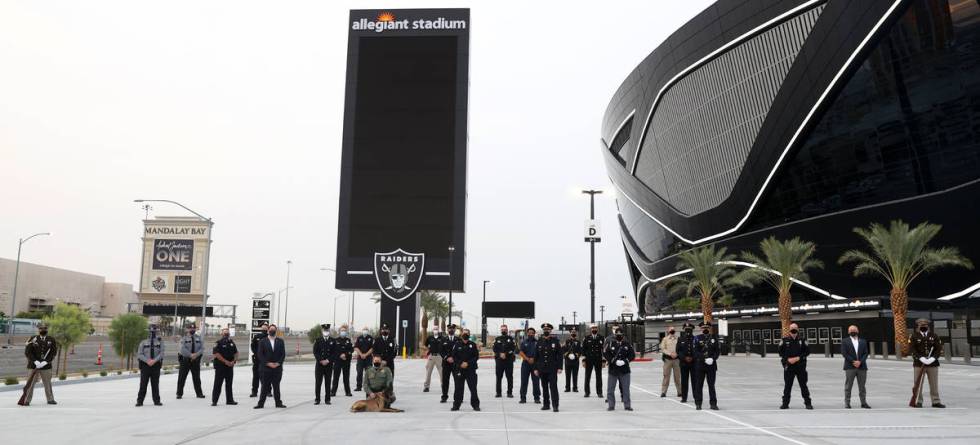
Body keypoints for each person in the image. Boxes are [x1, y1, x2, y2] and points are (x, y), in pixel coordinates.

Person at [19, 322, 58, 406]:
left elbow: (53, 352)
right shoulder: (33, 339)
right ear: (38, 329)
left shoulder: (51, 339)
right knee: (30, 384)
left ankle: (50, 399)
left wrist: (46, 361)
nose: (43, 330)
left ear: (47, 329)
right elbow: (28, 352)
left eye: (45, 328)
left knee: (47, 383)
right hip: (33, 366)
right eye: (41, 328)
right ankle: (26, 400)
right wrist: (35, 361)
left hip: (46, 366)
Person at [910, 318, 944, 408]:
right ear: (918, 326)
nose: (923, 327)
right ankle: (918, 401)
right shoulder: (914, 336)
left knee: (934, 383)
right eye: (921, 326)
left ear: (928, 326)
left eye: (925, 326)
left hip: (932, 364)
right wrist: (920, 358)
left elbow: (938, 348)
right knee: (918, 383)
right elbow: (912, 349)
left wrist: (933, 358)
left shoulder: (934, 336)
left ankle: (935, 401)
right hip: (919, 363)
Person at [778, 322, 812, 409]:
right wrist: (788, 360)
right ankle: (785, 403)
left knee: (803, 385)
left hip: (800, 366)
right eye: (792, 328)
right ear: (789, 330)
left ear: (797, 329)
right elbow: (781, 353)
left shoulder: (802, 340)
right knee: (787, 386)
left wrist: (798, 358)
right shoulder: (784, 340)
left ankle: (808, 403)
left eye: (795, 328)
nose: (793, 330)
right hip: (789, 367)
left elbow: (807, 352)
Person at [254, 324, 286, 409]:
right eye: (271, 329)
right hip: (265, 368)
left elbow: (283, 354)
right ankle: (260, 404)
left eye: (274, 330)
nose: (272, 331)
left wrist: (278, 363)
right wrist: (268, 363)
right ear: (268, 331)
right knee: (264, 387)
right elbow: (260, 354)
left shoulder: (280, 341)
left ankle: (278, 403)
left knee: (276, 387)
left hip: (277, 368)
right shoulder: (262, 341)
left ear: (276, 331)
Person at [604, 327, 635, 411]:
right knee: (610, 389)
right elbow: (605, 354)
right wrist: (613, 361)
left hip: (624, 370)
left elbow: (632, 355)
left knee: (626, 389)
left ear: (623, 335)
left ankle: (627, 405)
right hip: (613, 370)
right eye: (617, 335)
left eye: (620, 335)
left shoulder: (627, 344)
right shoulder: (611, 343)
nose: (619, 336)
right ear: (615, 335)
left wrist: (625, 361)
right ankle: (611, 405)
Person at [450, 328, 481, 411]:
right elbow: (454, 356)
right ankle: (456, 405)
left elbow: (476, 356)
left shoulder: (473, 345)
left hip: (470, 369)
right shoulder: (457, 345)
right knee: (458, 388)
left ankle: (475, 405)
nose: (465, 334)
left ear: (469, 335)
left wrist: (468, 363)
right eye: (464, 333)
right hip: (459, 369)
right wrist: (461, 363)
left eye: (467, 333)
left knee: (473, 388)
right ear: (461, 334)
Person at [534, 323, 563, 412]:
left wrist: (560, 367)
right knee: (544, 387)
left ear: (550, 330)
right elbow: (536, 356)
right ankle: (546, 404)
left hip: (552, 368)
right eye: (545, 329)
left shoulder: (555, 341)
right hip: (542, 369)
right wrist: (535, 368)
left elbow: (560, 355)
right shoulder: (539, 341)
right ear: (543, 330)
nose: (546, 331)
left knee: (553, 387)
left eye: (548, 329)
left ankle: (555, 405)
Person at [841, 325, 871, 409]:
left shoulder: (863, 341)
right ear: (848, 332)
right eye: (850, 330)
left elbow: (866, 353)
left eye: (854, 330)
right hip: (850, 366)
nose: (852, 331)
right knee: (848, 386)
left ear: (857, 331)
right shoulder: (845, 341)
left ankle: (863, 403)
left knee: (862, 386)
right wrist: (853, 361)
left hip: (862, 367)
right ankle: (847, 403)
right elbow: (844, 353)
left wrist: (860, 361)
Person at [136, 324, 165, 407]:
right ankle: (140, 401)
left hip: (155, 365)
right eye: (151, 331)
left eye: (154, 331)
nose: (152, 333)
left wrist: (154, 361)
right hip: (145, 365)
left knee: (155, 384)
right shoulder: (143, 342)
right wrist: (147, 361)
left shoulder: (160, 342)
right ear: (148, 332)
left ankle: (157, 401)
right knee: (143, 384)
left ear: (157, 332)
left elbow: (162, 353)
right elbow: (140, 354)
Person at [693, 321, 720, 410]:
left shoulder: (714, 338)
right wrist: (704, 359)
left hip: (711, 365)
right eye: (703, 328)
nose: (705, 329)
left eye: (707, 328)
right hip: (700, 365)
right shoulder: (697, 338)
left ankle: (713, 404)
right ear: (701, 329)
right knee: (699, 385)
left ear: (709, 328)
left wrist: (713, 358)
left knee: (711, 385)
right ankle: (698, 403)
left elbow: (717, 351)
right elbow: (695, 352)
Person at [176, 323, 205, 399]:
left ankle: (199, 393)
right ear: (187, 329)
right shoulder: (184, 338)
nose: (192, 329)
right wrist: (191, 355)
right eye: (190, 328)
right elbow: (182, 349)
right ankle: (179, 394)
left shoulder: (199, 338)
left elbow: (202, 349)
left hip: (195, 361)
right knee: (182, 377)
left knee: (197, 378)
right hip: (185, 361)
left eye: (194, 328)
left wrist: (195, 355)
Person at [211, 327, 239, 406]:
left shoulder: (232, 342)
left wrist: (234, 361)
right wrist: (225, 361)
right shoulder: (218, 342)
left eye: (227, 332)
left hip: (230, 366)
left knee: (229, 384)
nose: (226, 334)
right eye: (224, 332)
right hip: (220, 366)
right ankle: (214, 401)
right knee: (218, 384)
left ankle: (230, 400)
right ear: (221, 334)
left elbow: (236, 353)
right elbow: (216, 354)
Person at [438, 324, 462, 403]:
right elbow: (441, 351)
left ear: (455, 330)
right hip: (446, 363)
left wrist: (453, 358)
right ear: (447, 330)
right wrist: (447, 358)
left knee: (457, 381)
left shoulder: (458, 339)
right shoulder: (443, 339)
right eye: (449, 329)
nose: (451, 330)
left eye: (452, 329)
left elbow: (460, 351)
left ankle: (457, 397)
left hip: (455, 364)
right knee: (445, 381)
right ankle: (444, 396)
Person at [313, 323, 335, 405]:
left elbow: (334, 353)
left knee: (328, 382)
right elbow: (315, 352)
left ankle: (327, 399)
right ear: (322, 331)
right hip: (319, 365)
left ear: (329, 330)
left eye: (327, 330)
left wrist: (328, 360)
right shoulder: (318, 340)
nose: (326, 331)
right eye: (324, 330)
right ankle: (317, 399)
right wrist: (321, 360)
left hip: (329, 365)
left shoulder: (333, 341)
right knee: (318, 382)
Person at [518, 327, 541, 404]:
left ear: (534, 334)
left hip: (535, 364)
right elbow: (521, 352)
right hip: (525, 364)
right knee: (524, 381)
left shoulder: (538, 342)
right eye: (529, 332)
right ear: (527, 333)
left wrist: (534, 359)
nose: (530, 334)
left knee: (536, 381)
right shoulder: (524, 342)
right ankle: (523, 398)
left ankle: (537, 398)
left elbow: (540, 353)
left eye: (532, 333)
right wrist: (527, 359)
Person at [492, 324, 516, 398]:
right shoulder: (497, 339)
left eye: (505, 329)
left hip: (508, 361)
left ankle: (510, 392)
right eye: (502, 329)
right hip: (499, 361)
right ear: (500, 330)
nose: (503, 331)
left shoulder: (511, 339)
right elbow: (494, 348)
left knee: (509, 377)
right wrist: (500, 354)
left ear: (507, 330)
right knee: (498, 377)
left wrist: (505, 354)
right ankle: (498, 393)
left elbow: (513, 348)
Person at [582, 324, 604, 398]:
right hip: (589, 360)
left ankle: (599, 392)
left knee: (599, 376)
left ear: (597, 329)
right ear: (590, 329)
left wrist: (603, 360)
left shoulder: (601, 338)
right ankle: (587, 392)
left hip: (598, 359)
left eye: (595, 328)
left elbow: (603, 350)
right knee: (587, 376)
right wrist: (584, 360)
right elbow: (583, 350)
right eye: (593, 328)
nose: (594, 329)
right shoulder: (587, 338)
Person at [660, 326, 681, 398]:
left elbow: (680, 348)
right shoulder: (665, 339)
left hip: (676, 360)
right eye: (671, 330)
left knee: (677, 377)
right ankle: (663, 392)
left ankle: (679, 392)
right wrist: (670, 354)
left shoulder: (678, 339)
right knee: (666, 376)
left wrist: (676, 354)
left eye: (673, 330)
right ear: (668, 331)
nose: (672, 331)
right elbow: (662, 348)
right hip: (668, 360)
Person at [332, 326, 354, 397]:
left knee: (346, 378)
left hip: (346, 362)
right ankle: (333, 392)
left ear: (346, 332)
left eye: (344, 331)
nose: (343, 332)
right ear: (339, 332)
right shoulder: (335, 340)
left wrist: (345, 354)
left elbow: (351, 350)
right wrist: (340, 355)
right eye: (342, 330)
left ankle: (348, 392)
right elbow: (334, 351)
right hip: (338, 361)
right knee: (336, 377)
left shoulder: (348, 340)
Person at [677, 323, 696, 402]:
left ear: (692, 330)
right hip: (684, 363)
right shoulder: (680, 339)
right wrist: (684, 358)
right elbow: (678, 351)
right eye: (686, 329)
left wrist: (692, 357)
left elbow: (698, 350)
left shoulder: (696, 339)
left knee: (695, 381)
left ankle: (696, 397)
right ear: (684, 330)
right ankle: (684, 397)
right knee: (684, 381)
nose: (688, 330)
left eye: (689, 329)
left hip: (694, 363)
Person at [249, 323, 269, 397]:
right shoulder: (256, 337)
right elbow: (253, 346)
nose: (264, 330)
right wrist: (256, 353)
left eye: (265, 329)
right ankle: (254, 392)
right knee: (256, 376)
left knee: (266, 376)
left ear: (267, 329)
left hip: (266, 360)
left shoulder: (269, 337)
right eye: (262, 329)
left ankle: (268, 391)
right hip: (257, 360)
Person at [423, 326, 444, 393]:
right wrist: (428, 350)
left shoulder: (442, 338)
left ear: (438, 330)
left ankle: (443, 386)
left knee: (442, 372)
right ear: (433, 330)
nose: (435, 330)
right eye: (434, 329)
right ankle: (426, 387)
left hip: (439, 356)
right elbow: (425, 345)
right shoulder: (430, 338)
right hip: (431, 356)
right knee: (428, 372)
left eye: (437, 329)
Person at [353, 327, 374, 392]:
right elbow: (356, 347)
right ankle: (358, 387)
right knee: (359, 372)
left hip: (368, 358)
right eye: (364, 330)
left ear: (368, 331)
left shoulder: (371, 338)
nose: (365, 331)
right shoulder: (359, 338)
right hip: (360, 358)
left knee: (369, 373)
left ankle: (369, 387)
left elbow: (372, 348)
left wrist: (365, 354)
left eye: (366, 330)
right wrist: (361, 354)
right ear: (362, 331)